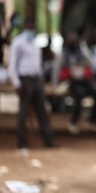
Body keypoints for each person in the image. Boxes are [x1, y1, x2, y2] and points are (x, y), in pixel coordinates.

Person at [8, 18, 56, 148]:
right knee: (23, 112)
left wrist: (41, 79)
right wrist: (17, 84)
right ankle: (21, 142)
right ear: (25, 27)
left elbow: (38, 65)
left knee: (42, 112)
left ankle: (48, 141)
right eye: (30, 27)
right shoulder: (18, 43)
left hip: (37, 80)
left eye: (33, 28)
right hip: (25, 80)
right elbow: (12, 66)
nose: (32, 30)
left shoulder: (35, 43)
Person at [54, 31, 96, 134]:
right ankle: (73, 122)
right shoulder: (64, 53)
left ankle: (92, 120)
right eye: (71, 41)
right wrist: (56, 84)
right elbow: (56, 69)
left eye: (74, 41)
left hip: (84, 80)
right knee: (80, 95)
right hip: (72, 81)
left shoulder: (82, 51)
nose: (73, 43)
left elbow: (92, 63)